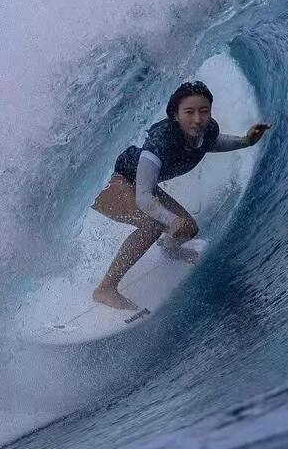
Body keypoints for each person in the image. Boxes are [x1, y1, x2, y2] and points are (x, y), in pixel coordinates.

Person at [91, 80, 271, 311]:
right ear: (175, 115)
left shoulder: (205, 131)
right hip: (111, 182)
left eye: (203, 111)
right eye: (189, 112)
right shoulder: (161, 143)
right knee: (153, 225)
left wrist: (246, 141)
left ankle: (169, 249)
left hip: (138, 183)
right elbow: (144, 198)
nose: (197, 119)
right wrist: (169, 219)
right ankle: (105, 288)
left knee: (188, 228)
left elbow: (211, 143)